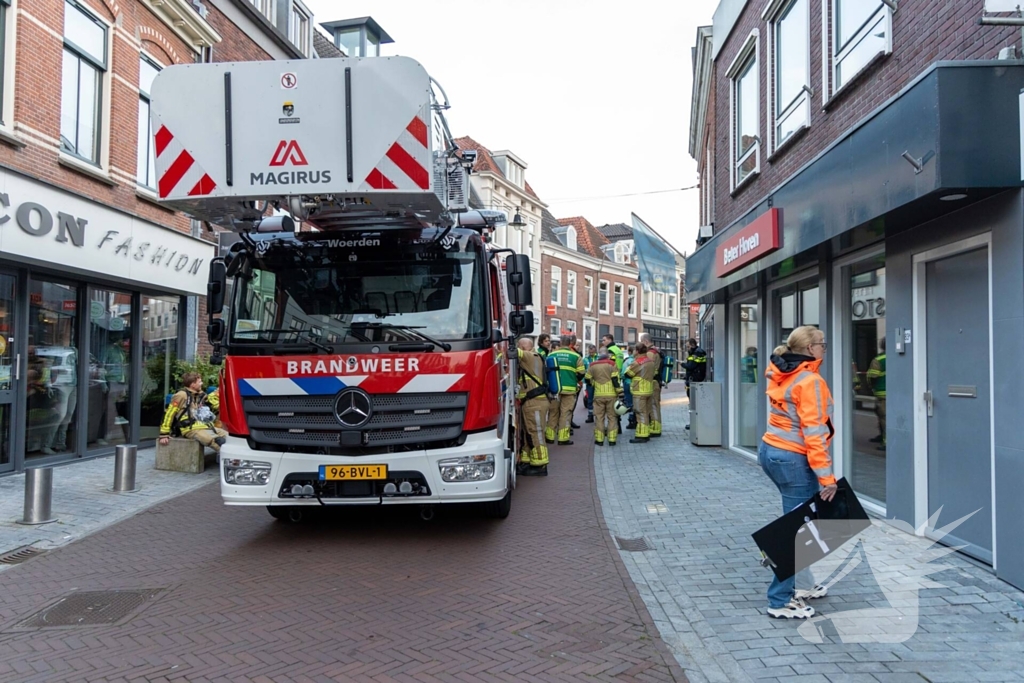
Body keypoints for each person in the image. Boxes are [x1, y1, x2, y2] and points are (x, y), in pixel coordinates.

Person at [759, 325, 837, 620]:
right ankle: (780, 600)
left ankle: (803, 584)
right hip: (794, 459)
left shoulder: (781, 370)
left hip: (771, 451)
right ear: (809, 349)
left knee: (797, 523)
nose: (824, 349)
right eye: (822, 344)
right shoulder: (810, 381)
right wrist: (826, 478)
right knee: (797, 531)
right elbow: (814, 434)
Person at [159, 372, 227, 453]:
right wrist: (164, 434)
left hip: (206, 426)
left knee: (232, 438)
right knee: (217, 441)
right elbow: (169, 414)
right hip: (190, 429)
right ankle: (233, 461)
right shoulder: (181, 395)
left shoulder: (200, 395)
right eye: (199, 382)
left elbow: (213, 402)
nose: (202, 383)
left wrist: (220, 391)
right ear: (192, 384)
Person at [516, 337, 550, 476]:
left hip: (535, 402)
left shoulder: (531, 356)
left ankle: (540, 465)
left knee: (536, 432)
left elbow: (512, 352)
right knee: (528, 432)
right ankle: (527, 461)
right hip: (530, 401)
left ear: (524, 347)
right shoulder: (532, 359)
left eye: (520, 346)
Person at [548, 334, 585, 446]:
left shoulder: (551, 354)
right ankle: (563, 438)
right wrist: (574, 380)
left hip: (554, 389)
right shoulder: (575, 356)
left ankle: (549, 437)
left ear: (559, 343)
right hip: (569, 390)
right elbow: (581, 373)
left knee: (553, 412)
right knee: (566, 413)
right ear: (570, 344)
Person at [585, 350, 623, 446]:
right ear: (607, 355)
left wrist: (594, 384)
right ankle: (612, 440)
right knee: (612, 417)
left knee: (599, 417)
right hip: (611, 395)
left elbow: (587, 378)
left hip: (598, 395)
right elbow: (615, 379)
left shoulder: (592, 365)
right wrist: (619, 391)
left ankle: (599, 440)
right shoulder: (612, 364)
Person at [625, 342, 657, 443]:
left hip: (639, 390)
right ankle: (646, 432)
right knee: (646, 412)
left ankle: (642, 435)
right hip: (648, 390)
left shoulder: (637, 362)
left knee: (640, 413)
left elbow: (628, 374)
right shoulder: (650, 361)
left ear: (637, 351)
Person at [640, 333, 664, 437]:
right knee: (654, 405)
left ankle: (655, 428)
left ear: (645, 341)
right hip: (655, 381)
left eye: (642, 341)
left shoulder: (650, 353)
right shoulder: (656, 351)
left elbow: (647, 368)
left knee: (653, 405)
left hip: (652, 382)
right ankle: (655, 427)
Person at [682, 338, 707, 430]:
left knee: (693, 402)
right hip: (694, 379)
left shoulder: (697, 353)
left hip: (694, 380)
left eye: (688, 346)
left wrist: (682, 364)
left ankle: (695, 422)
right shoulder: (697, 352)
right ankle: (694, 421)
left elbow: (691, 366)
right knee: (693, 402)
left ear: (692, 345)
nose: (687, 348)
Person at [866, 338, 886, 451]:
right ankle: (883, 436)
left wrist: (871, 387)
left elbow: (873, 376)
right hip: (897, 394)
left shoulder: (879, 359)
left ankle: (885, 441)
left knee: (884, 418)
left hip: (882, 394)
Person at [622, 345, 637, 430]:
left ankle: (631, 421)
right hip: (637, 384)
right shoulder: (638, 361)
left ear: (629, 352)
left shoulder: (627, 361)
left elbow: (623, 374)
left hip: (628, 383)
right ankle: (636, 420)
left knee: (629, 403)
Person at [583, 345, 598, 423]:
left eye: (592, 352)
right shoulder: (585, 359)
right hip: (589, 382)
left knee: (598, 399)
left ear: (595, 351)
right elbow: (583, 370)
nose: (591, 353)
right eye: (590, 352)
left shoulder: (598, 358)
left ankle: (598, 415)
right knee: (590, 399)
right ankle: (590, 415)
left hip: (598, 382)